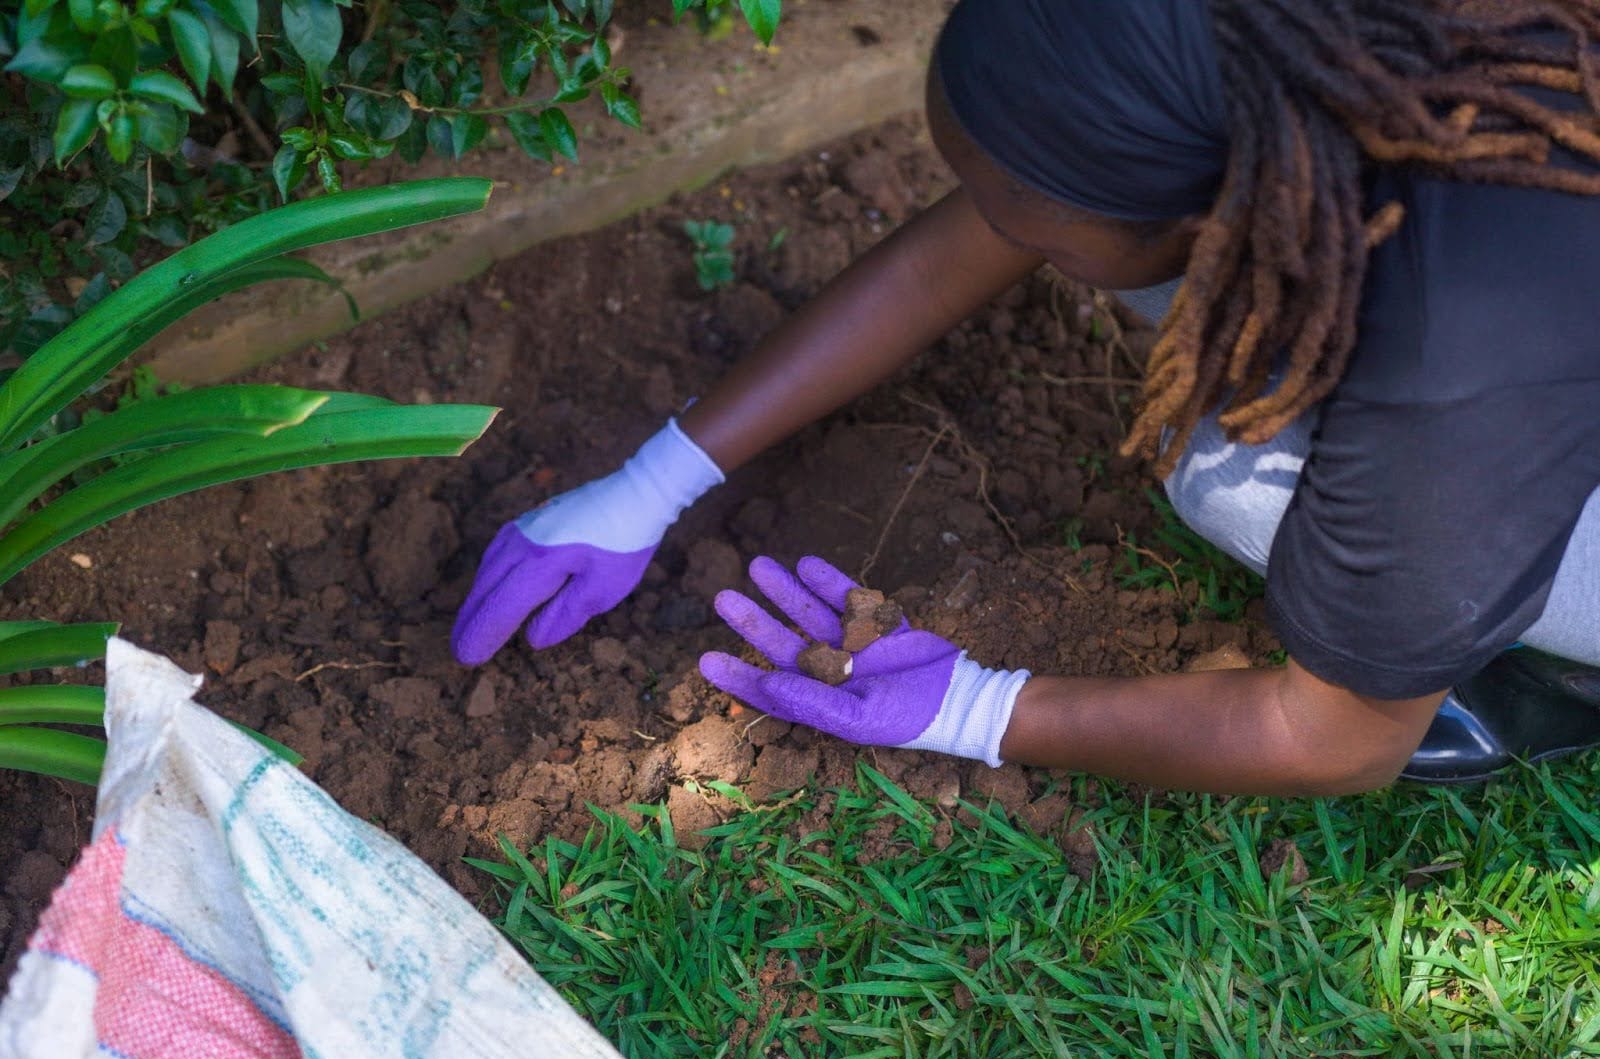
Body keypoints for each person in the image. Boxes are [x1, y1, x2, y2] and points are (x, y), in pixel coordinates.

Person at [453, 0, 1600, 795]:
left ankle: (1557, 666)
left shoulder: (1463, 347)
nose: (994, 231)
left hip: (1537, 369)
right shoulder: (1289, 62)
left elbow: (1331, 739)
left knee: (1233, 480)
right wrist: (652, 482)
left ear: (1225, 206)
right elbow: (1011, 210)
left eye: (1024, 220)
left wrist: (974, 708)